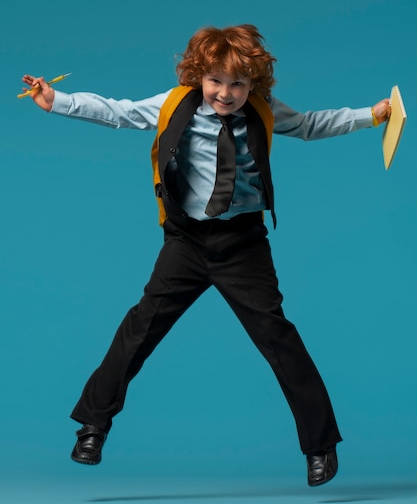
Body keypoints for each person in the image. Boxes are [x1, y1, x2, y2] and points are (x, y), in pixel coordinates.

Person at [22, 24, 391, 487]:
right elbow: (119, 112)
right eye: (216, 80)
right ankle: (92, 427)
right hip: (186, 241)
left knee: (279, 338)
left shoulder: (264, 110)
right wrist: (58, 100)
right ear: (199, 76)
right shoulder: (175, 102)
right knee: (140, 329)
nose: (226, 92)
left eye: (238, 83)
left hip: (243, 243)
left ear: (254, 84)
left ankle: (320, 447)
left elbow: (312, 124)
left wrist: (371, 115)